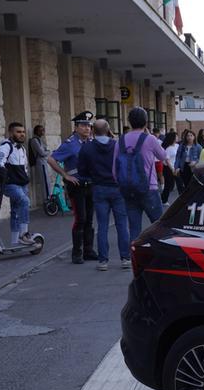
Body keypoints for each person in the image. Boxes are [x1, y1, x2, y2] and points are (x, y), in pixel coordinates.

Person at [79, 119, 131, 270]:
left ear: (93, 131)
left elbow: (82, 171)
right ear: (109, 130)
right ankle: (125, 258)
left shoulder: (87, 148)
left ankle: (103, 261)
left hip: (99, 187)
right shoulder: (117, 146)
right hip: (117, 187)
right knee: (122, 224)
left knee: (102, 226)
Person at [47, 111, 97, 263]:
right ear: (76, 128)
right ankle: (77, 253)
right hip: (77, 185)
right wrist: (65, 175)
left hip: (91, 184)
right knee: (80, 218)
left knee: (89, 219)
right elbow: (51, 159)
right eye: (83, 125)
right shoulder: (70, 144)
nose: (87, 128)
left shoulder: (90, 143)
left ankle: (88, 250)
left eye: (89, 125)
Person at [114, 107, 167, 241]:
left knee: (134, 228)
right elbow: (163, 155)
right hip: (149, 188)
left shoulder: (120, 140)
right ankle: (159, 255)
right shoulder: (150, 139)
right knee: (159, 225)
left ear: (130, 122)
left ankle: (134, 258)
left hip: (128, 189)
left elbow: (115, 169)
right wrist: (150, 135)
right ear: (146, 122)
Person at [0, 122, 34, 247]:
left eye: (23, 132)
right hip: (10, 184)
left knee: (15, 211)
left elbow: (24, 167)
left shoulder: (22, 148)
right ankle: (24, 234)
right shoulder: (6, 146)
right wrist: (1, 167)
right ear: (10, 133)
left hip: (22, 184)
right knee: (25, 201)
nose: (22, 134)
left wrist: (26, 178)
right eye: (18, 132)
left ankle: (15, 241)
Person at [160, 130, 178, 203]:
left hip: (176, 167)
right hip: (168, 168)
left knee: (178, 184)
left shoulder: (177, 146)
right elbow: (167, 160)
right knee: (168, 185)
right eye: (176, 136)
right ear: (172, 138)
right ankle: (164, 200)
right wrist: (172, 169)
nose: (177, 138)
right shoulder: (168, 148)